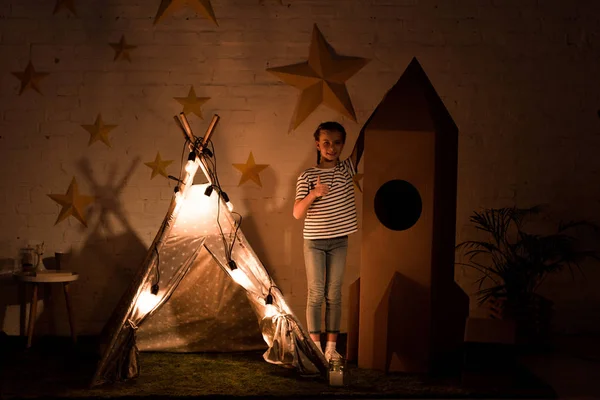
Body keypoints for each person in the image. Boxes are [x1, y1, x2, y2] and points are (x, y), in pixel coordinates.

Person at [293, 121, 364, 362]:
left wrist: (382, 105)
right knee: (316, 294)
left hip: (339, 241)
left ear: (342, 144)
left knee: (334, 294)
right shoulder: (308, 176)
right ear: (317, 145)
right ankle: (315, 348)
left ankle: (331, 349)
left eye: (336, 143)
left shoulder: (346, 169)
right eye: (326, 143)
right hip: (314, 241)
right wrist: (314, 193)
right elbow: (296, 212)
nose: (331, 147)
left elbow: (362, 143)